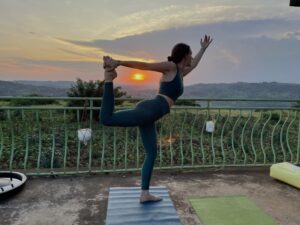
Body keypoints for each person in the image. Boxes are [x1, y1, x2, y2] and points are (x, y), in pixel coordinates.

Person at [100, 35, 213, 203]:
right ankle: (109, 78)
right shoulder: (171, 67)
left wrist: (203, 49)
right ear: (184, 55)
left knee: (152, 153)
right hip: (149, 110)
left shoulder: (181, 72)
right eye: (190, 54)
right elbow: (145, 65)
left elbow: (194, 64)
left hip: (151, 114)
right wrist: (119, 62)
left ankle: (144, 193)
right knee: (106, 119)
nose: (191, 57)